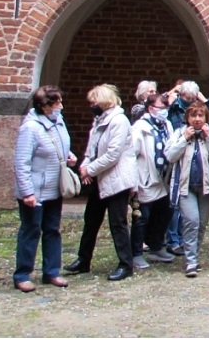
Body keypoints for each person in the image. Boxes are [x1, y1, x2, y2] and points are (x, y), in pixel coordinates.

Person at [64, 84, 137, 281]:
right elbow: (92, 148)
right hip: (100, 178)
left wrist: (90, 169)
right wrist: (84, 166)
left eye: (94, 101)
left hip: (116, 179)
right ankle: (83, 259)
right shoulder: (99, 121)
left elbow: (113, 154)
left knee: (118, 223)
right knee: (91, 220)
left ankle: (125, 264)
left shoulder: (119, 121)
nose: (92, 105)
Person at [12, 85, 77, 292]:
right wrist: (27, 192)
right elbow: (22, 162)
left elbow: (58, 146)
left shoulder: (58, 123)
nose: (61, 105)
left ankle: (51, 271)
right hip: (35, 190)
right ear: (45, 105)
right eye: (56, 102)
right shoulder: (30, 128)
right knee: (31, 231)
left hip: (53, 187)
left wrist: (68, 156)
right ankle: (22, 274)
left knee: (52, 230)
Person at [164, 80, 209, 256]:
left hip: (205, 184)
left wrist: (204, 101)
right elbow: (170, 155)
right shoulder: (177, 125)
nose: (197, 119)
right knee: (190, 221)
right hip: (185, 183)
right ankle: (187, 256)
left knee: (200, 223)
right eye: (186, 98)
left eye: (201, 116)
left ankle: (193, 253)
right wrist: (184, 138)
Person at [128, 94, 177, 270]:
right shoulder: (140, 129)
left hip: (163, 179)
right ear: (150, 109)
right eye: (161, 108)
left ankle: (156, 247)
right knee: (142, 217)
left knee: (164, 213)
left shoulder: (167, 125)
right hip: (145, 179)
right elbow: (130, 156)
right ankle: (136, 252)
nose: (164, 112)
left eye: (166, 108)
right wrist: (133, 183)